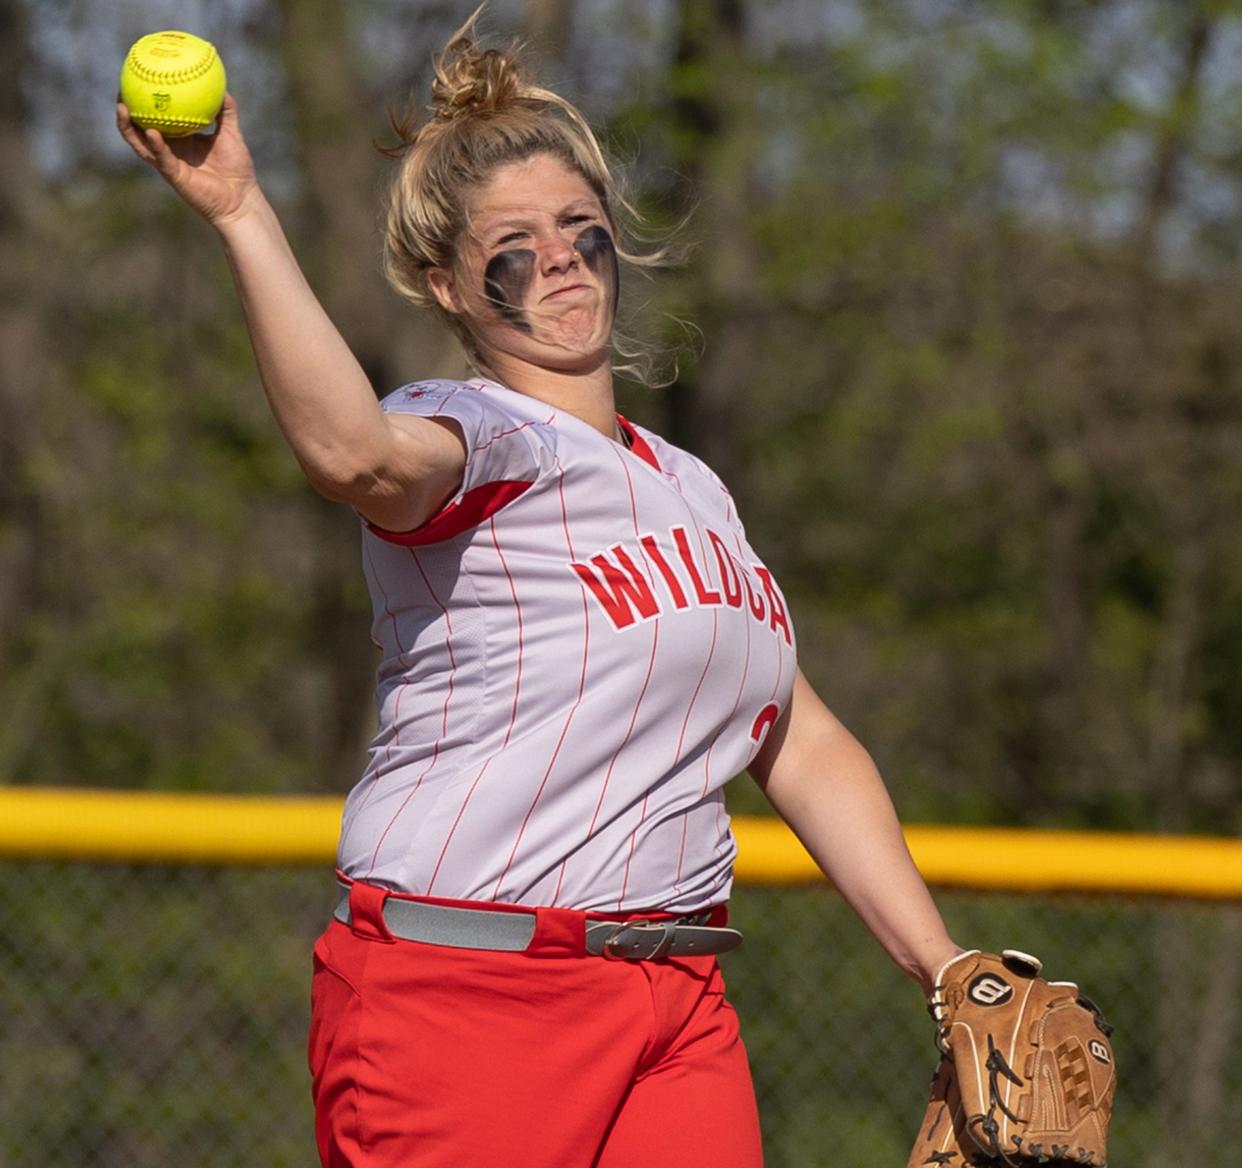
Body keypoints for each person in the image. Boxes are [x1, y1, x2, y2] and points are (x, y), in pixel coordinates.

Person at [118, 10, 963, 1167]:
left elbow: (802, 742)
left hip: (677, 1003)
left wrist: (946, 970)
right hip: (467, 991)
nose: (559, 256)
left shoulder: (697, 493)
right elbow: (354, 457)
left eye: (581, 228)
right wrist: (241, 214)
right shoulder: (473, 432)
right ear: (449, 286)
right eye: (512, 243)